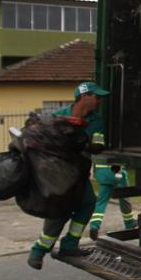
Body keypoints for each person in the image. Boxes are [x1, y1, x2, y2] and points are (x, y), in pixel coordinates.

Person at [27, 81, 109, 270]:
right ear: (84, 97)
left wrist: (94, 145)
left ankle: (70, 245)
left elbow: (98, 142)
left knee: (88, 203)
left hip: (80, 173)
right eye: (97, 97)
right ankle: (39, 250)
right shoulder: (59, 116)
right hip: (59, 174)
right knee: (59, 210)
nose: (99, 101)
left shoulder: (97, 120)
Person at [87, 162, 136, 240]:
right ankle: (129, 223)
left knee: (101, 202)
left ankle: (94, 226)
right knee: (124, 198)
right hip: (117, 172)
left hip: (102, 173)